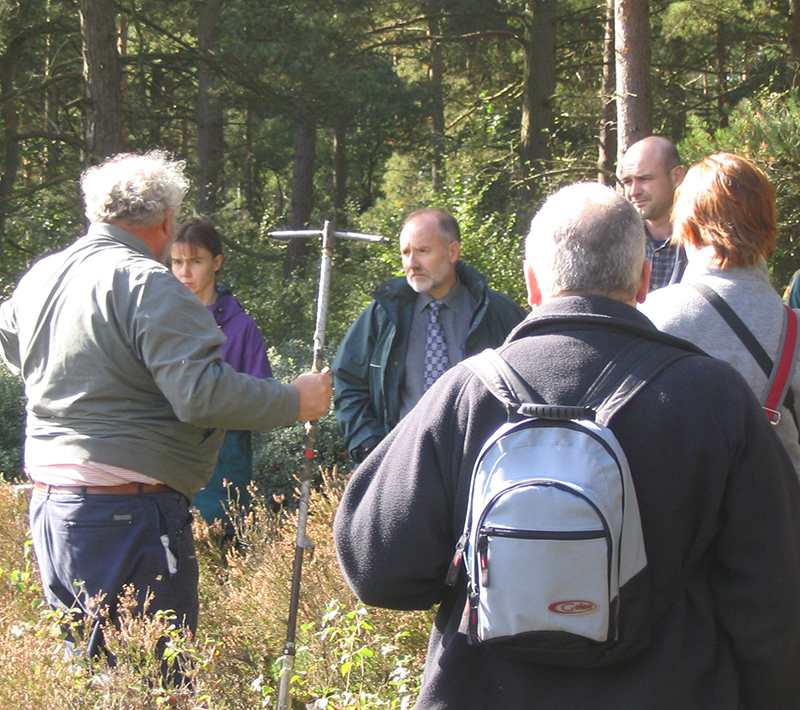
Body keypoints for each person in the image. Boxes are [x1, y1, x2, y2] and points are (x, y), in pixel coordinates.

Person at [333, 182, 800, 710]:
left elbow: (377, 570)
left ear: (532, 284)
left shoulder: (465, 393)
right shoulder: (715, 397)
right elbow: (773, 598)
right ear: (646, 280)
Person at [0, 150, 332, 661]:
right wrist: (295, 400)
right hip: (128, 510)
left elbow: (11, 344)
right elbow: (203, 394)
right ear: (166, 219)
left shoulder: (42, 276)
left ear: (96, 212)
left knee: (90, 674)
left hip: (51, 505)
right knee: (155, 676)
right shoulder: (148, 283)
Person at [640, 153, 800, 472]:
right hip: (784, 515)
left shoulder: (652, 317)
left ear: (689, 226)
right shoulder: (795, 326)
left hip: (684, 518)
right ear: (767, 223)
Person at [331, 207, 525, 463]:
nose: (412, 263)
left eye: (423, 251)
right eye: (405, 253)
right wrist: (369, 446)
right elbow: (348, 381)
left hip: (481, 465)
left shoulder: (498, 313)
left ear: (452, 251)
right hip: (401, 463)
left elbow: (528, 386)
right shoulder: (384, 314)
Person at [170, 219, 271, 535]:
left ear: (216, 263)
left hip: (223, 470)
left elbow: (263, 400)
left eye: (195, 261)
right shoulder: (160, 320)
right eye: (177, 262)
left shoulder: (241, 328)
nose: (185, 272)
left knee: (223, 566)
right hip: (167, 467)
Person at [618, 135, 687, 289]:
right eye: (628, 182)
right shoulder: (618, 241)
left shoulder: (704, 242)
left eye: (644, 179)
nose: (634, 191)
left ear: (676, 177)